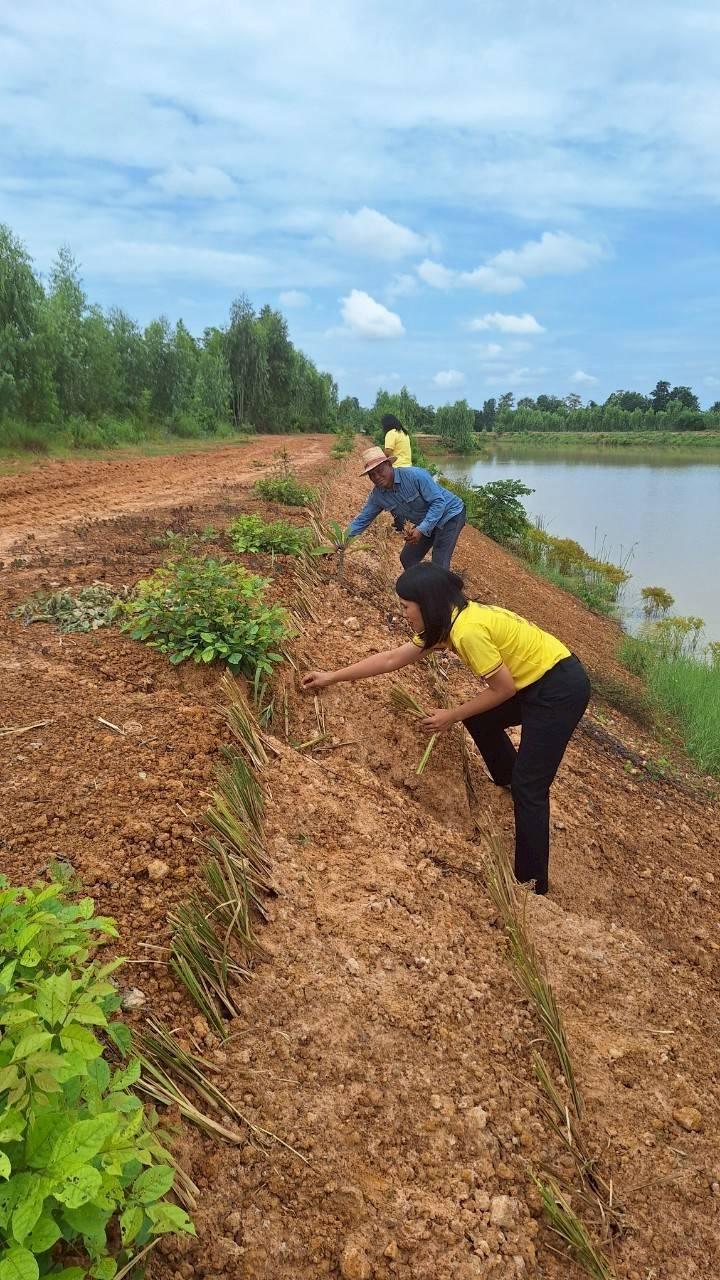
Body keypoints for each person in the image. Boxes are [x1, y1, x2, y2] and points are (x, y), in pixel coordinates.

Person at [301, 563, 590, 895]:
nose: (403, 614)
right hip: (536, 677)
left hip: (558, 688)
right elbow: (391, 659)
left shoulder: (467, 631)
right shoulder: (445, 622)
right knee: (480, 719)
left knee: (531, 787)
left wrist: (452, 715)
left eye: (406, 606)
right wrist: (332, 676)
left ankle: (531, 885)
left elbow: (503, 690)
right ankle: (508, 777)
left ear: (427, 603)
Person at [347, 446, 466, 570]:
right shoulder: (378, 496)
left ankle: (441, 581)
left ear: (389, 465)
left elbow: (438, 502)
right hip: (425, 520)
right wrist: (341, 541)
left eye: (380, 470)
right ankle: (424, 582)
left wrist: (421, 529)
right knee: (408, 558)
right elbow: (362, 520)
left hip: (450, 514)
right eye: (372, 474)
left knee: (439, 564)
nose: (377, 477)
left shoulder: (415, 475)